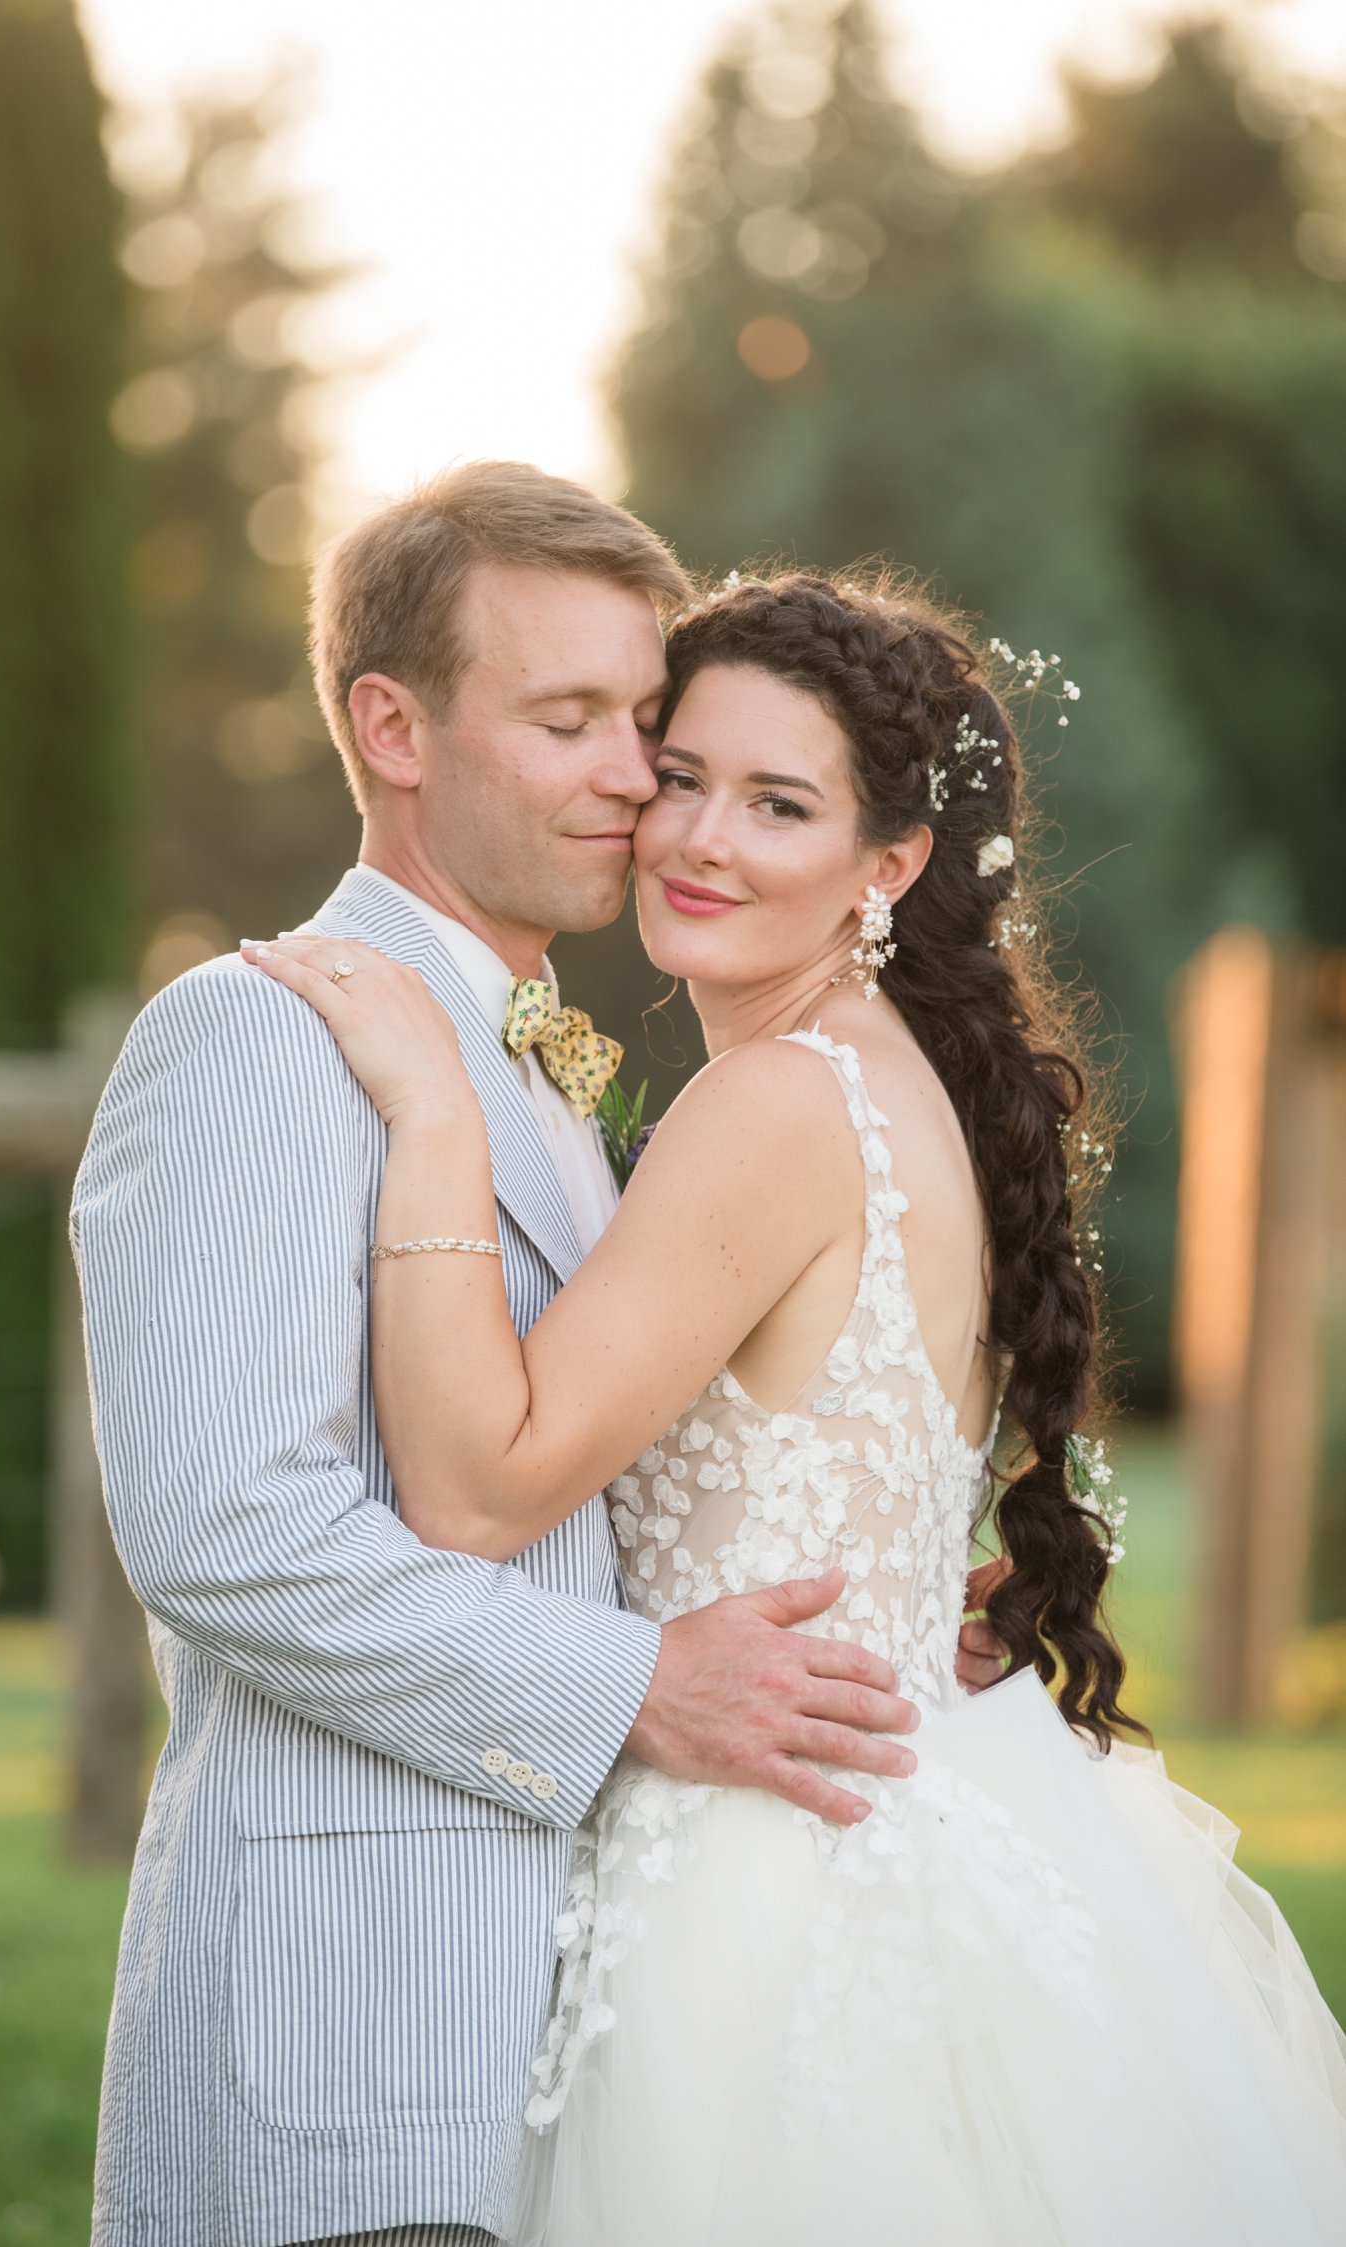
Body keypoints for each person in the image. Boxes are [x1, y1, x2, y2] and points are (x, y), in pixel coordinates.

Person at [249, 566, 1346, 2246]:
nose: (696, 837)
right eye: (679, 774)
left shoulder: (772, 1101)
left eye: (779, 803)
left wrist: (434, 1119)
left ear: (888, 863)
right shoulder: (900, 1077)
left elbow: (477, 1493)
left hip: (758, 1873)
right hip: (901, 1803)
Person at [76, 466, 1001, 2247]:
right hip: (359, 2040)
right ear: (391, 727)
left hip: (605, 2023)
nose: (634, 782)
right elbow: (224, 1534)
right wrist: (631, 1686)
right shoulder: (258, 1039)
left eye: (642, 720)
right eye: (569, 720)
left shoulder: (552, 1070)